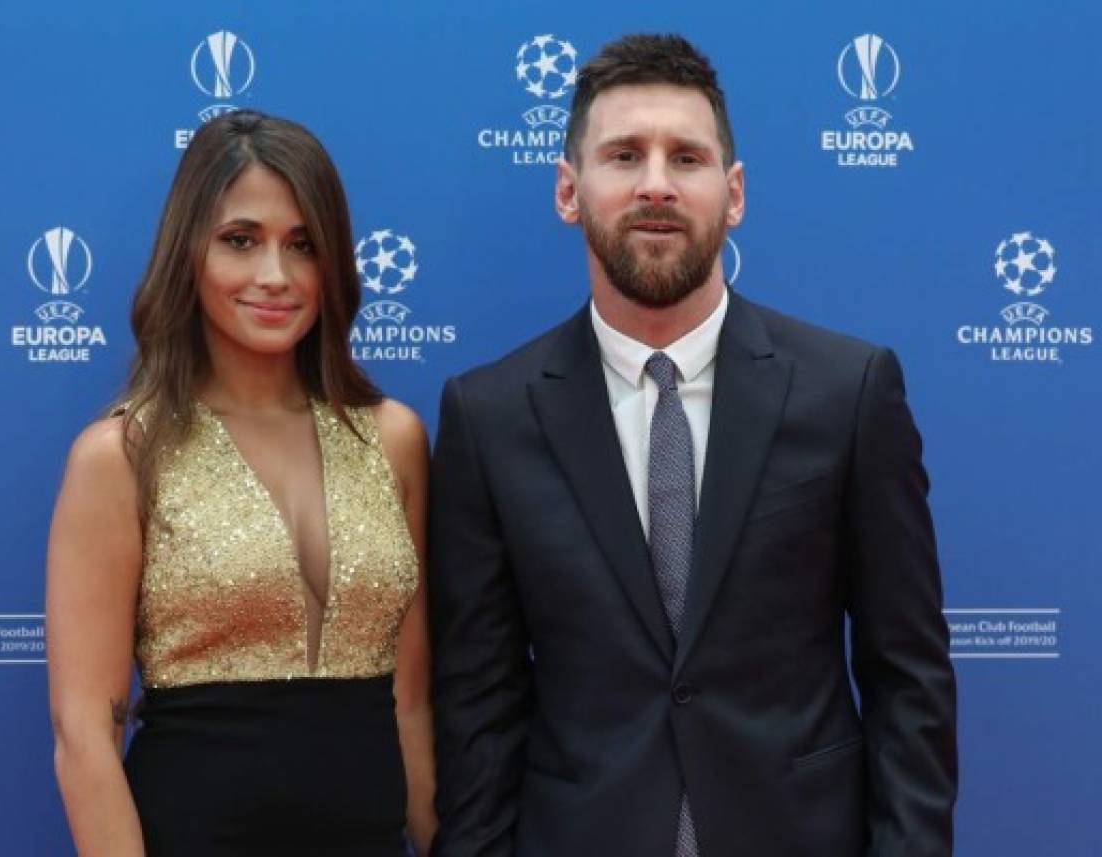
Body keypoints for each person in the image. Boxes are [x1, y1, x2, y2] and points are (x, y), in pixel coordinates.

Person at [428, 34, 956, 856]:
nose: (656, 185)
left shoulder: (848, 391)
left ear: (732, 193)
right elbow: (478, 703)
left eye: (686, 157)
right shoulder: (490, 414)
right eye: (623, 155)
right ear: (568, 189)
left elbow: (909, 677)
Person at [46, 110, 436, 856]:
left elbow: (411, 706)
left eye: (303, 245)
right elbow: (84, 736)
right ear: (188, 251)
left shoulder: (393, 440)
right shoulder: (121, 456)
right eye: (240, 240)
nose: (275, 276)